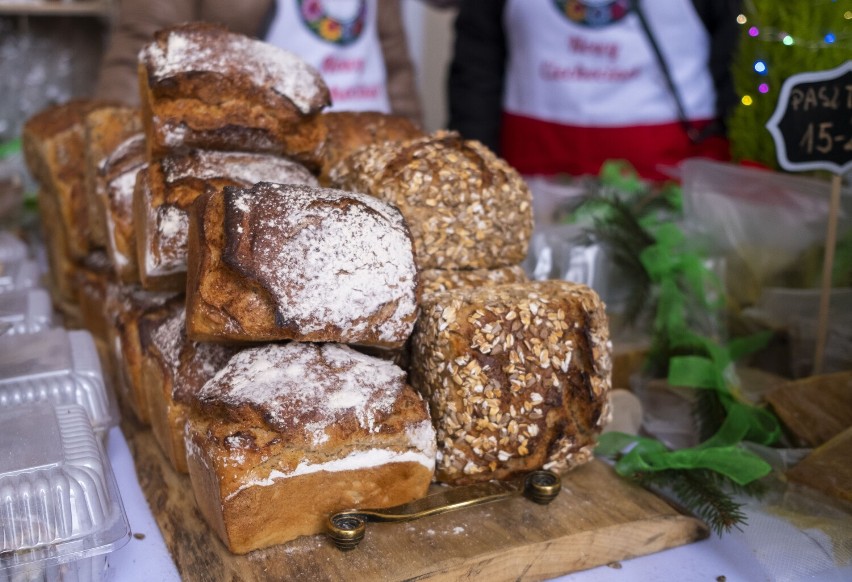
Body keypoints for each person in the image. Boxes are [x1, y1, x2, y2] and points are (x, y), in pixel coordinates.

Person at [447, 0, 742, 181]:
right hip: (531, 183)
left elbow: (738, 63)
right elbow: (477, 67)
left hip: (673, 190)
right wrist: (476, 171)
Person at [94, 0, 423, 125]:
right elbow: (144, 45)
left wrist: (412, 142)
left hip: (369, 143)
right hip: (268, 160)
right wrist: (110, 147)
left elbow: (394, 63)